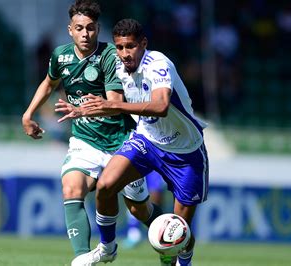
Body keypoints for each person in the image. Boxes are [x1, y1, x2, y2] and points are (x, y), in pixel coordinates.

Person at [55, 18, 209, 266]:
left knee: (179, 230)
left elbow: (160, 106)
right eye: (119, 47)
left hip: (185, 152)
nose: (124, 53)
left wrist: (113, 104)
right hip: (146, 141)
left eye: (130, 46)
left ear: (143, 44)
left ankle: (182, 261)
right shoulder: (117, 66)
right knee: (106, 185)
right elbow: (114, 106)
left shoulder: (157, 63)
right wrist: (85, 110)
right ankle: (106, 248)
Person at [21, 2, 163, 265]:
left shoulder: (110, 57)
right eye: (79, 28)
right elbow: (49, 83)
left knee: (139, 209)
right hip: (84, 142)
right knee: (71, 188)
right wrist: (28, 114)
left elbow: (114, 105)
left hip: (120, 142)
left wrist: (81, 110)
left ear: (98, 29)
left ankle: (171, 242)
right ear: (70, 30)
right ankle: (83, 257)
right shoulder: (60, 56)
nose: (85, 34)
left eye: (90, 28)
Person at [122, 171, 166, 249]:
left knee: (156, 195)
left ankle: (156, 233)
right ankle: (133, 232)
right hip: (138, 161)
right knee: (133, 195)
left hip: (156, 162)